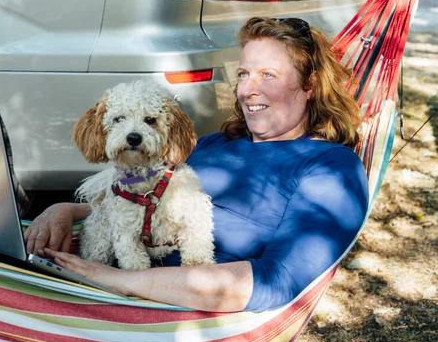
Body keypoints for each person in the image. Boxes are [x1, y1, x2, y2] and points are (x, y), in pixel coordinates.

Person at [23, 17, 369, 313]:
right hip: (115, 272)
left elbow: (274, 282)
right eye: (244, 73)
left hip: (169, 311)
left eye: (267, 75)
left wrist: (124, 280)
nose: (248, 89)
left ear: (309, 85)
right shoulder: (216, 144)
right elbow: (141, 204)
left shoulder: (331, 168)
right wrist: (65, 210)